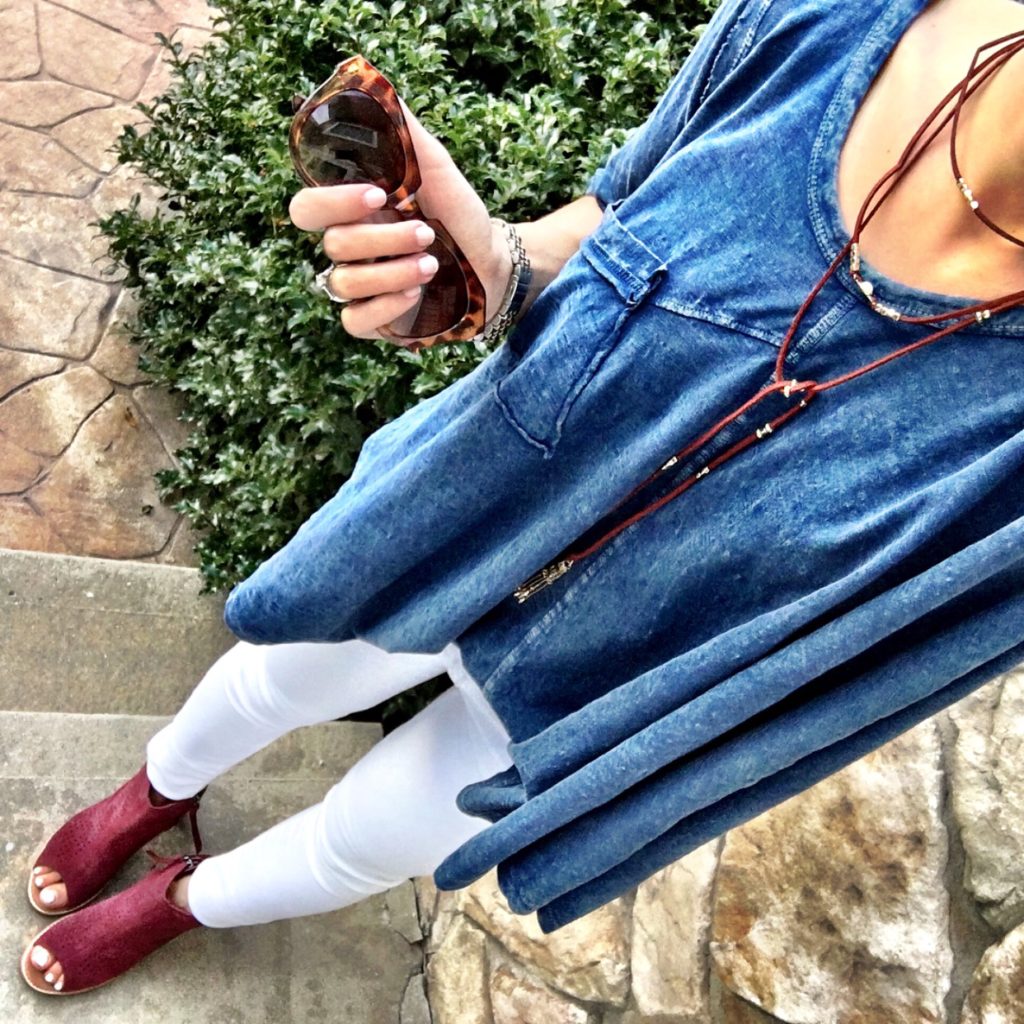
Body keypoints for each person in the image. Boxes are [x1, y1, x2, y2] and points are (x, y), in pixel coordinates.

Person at [20, 0, 1024, 995]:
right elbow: (607, 224)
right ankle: (156, 789)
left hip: (648, 666)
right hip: (468, 509)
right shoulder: (826, 16)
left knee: (377, 832)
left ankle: (185, 901)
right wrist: (481, 271)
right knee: (275, 676)